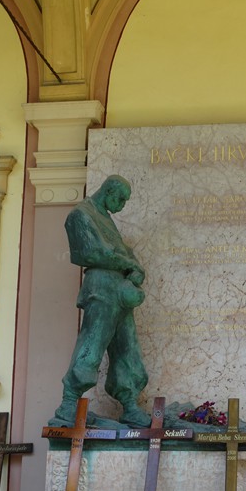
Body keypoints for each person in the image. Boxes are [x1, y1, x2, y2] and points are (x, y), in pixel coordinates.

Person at [54, 175, 151, 427]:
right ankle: (69, 402)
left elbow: (123, 252)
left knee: (127, 347)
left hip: (120, 290)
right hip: (100, 288)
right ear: (108, 191)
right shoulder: (80, 214)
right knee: (93, 342)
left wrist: (135, 269)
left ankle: (129, 403)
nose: (122, 205)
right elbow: (92, 252)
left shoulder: (105, 218)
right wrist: (128, 263)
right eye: (120, 199)